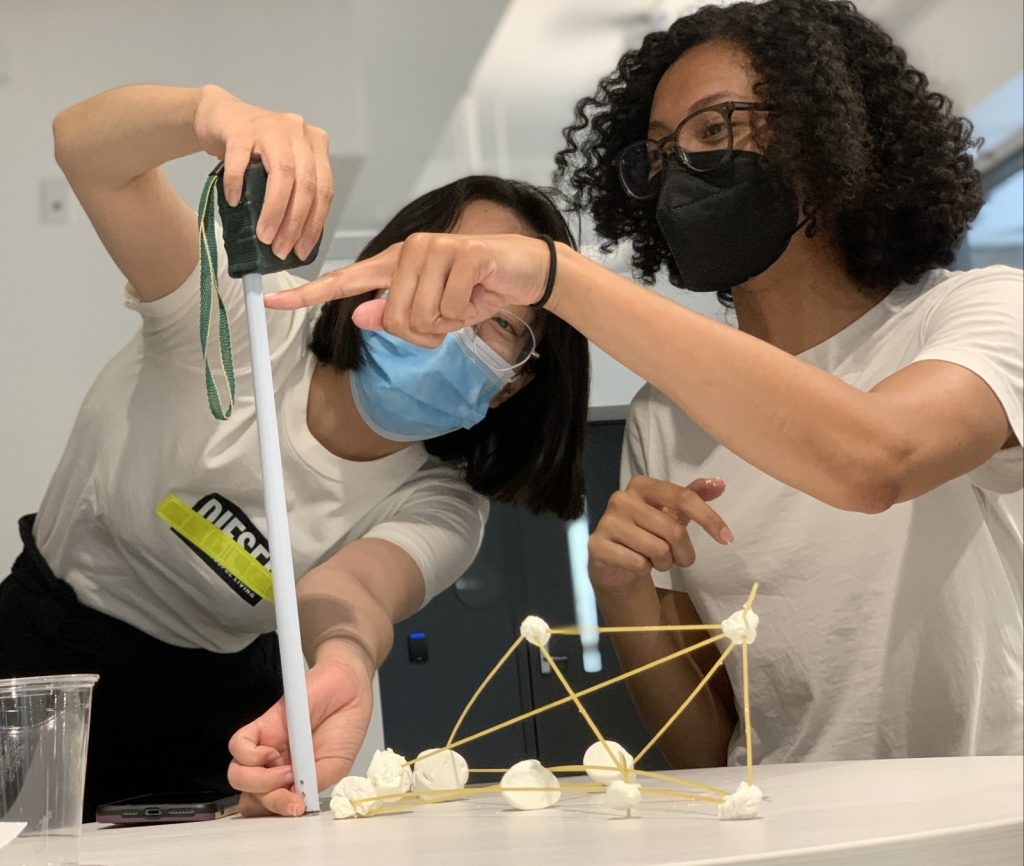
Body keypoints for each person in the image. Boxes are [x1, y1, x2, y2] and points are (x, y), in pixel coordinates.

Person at [268, 0, 1023, 768]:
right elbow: (704, 748)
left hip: (985, 813)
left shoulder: (979, 312)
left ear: (830, 133)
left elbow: (878, 458)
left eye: (714, 129)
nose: (677, 171)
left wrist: (560, 277)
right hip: (787, 824)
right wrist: (621, 588)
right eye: (659, 152)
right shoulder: (664, 418)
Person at [0, 84, 590, 819]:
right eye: (448, 274)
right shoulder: (240, 309)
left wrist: (345, 660)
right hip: (40, 653)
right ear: (391, 259)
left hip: (221, 712)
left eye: (501, 322)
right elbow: (86, 153)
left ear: (513, 385)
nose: (457, 316)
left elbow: (352, 593)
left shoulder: (442, 503)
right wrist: (207, 113)